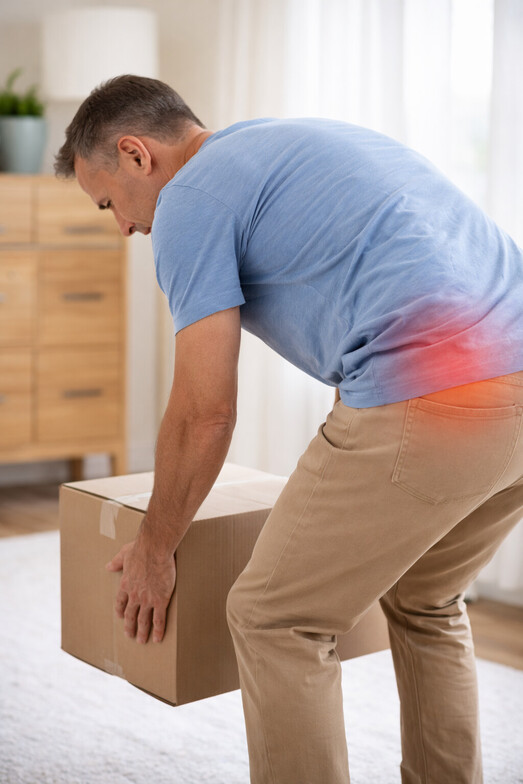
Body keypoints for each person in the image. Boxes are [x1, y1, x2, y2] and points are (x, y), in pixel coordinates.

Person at [55, 74, 523, 784]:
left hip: (434, 396)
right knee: (423, 598)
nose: (121, 225)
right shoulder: (289, 140)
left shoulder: (188, 202)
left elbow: (205, 410)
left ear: (136, 154)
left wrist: (155, 544)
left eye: (108, 200)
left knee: (275, 618)